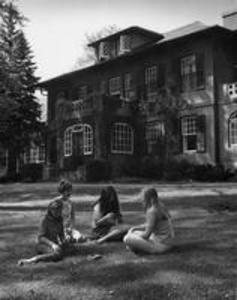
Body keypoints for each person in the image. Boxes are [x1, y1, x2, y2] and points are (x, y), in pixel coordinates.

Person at [18, 179, 85, 265]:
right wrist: (53, 245)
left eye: (58, 210)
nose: (56, 212)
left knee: (72, 249)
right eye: (54, 210)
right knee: (57, 255)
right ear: (50, 210)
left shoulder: (59, 220)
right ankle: (31, 260)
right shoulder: (46, 221)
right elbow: (41, 238)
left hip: (55, 242)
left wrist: (64, 241)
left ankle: (54, 253)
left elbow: (61, 235)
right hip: (43, 244)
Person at [123, 187, 174, 254]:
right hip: (168, 242)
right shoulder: (161, 206)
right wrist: (135, 228)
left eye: (143, 199)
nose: (142, 201)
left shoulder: (152, 211)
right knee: (134, 232)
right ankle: (135, 246)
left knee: (127, 238)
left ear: (149, 199)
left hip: (161, 245)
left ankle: (135, 246)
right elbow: (150, 225)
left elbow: (146, 235)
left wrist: (134, 236)